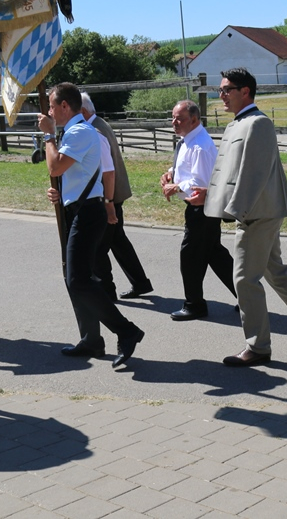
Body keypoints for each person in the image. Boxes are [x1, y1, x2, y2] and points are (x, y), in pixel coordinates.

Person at [203, 68, 287, 366]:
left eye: (227, 90)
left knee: (244, 279)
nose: (221, 95)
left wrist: (238, 211)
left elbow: (255, 174)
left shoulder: (258, 123)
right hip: (256, 210)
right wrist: (211, 196)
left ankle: (258, 347)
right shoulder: (239, 123)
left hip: (257, 213)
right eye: (220, 90)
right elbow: (231, 172)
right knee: (275, 271)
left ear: (245, 91)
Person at [38, 83, 145, 368]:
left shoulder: (80, 132)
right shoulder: (75, 132)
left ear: (64, 106)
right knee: (74, 278)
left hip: (87, 213)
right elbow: (71, 173)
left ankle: (126, 330)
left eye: (52, 106)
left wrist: (48, 135)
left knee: (79, 280)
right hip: (78, 208)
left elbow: (55, 166)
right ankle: (91, 339)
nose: (49, 112)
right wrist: (61, 192)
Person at [160, 100, 237, 321]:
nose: (174, 122)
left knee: (190, 256)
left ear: (194, 120)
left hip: (201, 209)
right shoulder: (189, 140)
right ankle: (248, 295)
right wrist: (171, 172)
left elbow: (200, 183)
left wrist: (176, 187)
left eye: (179, 119)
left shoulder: (200, 146)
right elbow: (187, 166)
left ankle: (194, 305)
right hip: (200, 210)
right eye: (173, 118)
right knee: (215, 254)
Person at [80, 94, 155, 300]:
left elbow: (108, 171)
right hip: (114, 194)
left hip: (108, 197)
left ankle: (106, 292)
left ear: (83, 112)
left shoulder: (94, 130)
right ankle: (140, 282)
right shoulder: (99, 123)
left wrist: (108, 202)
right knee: (118, 242)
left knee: (98, 248)